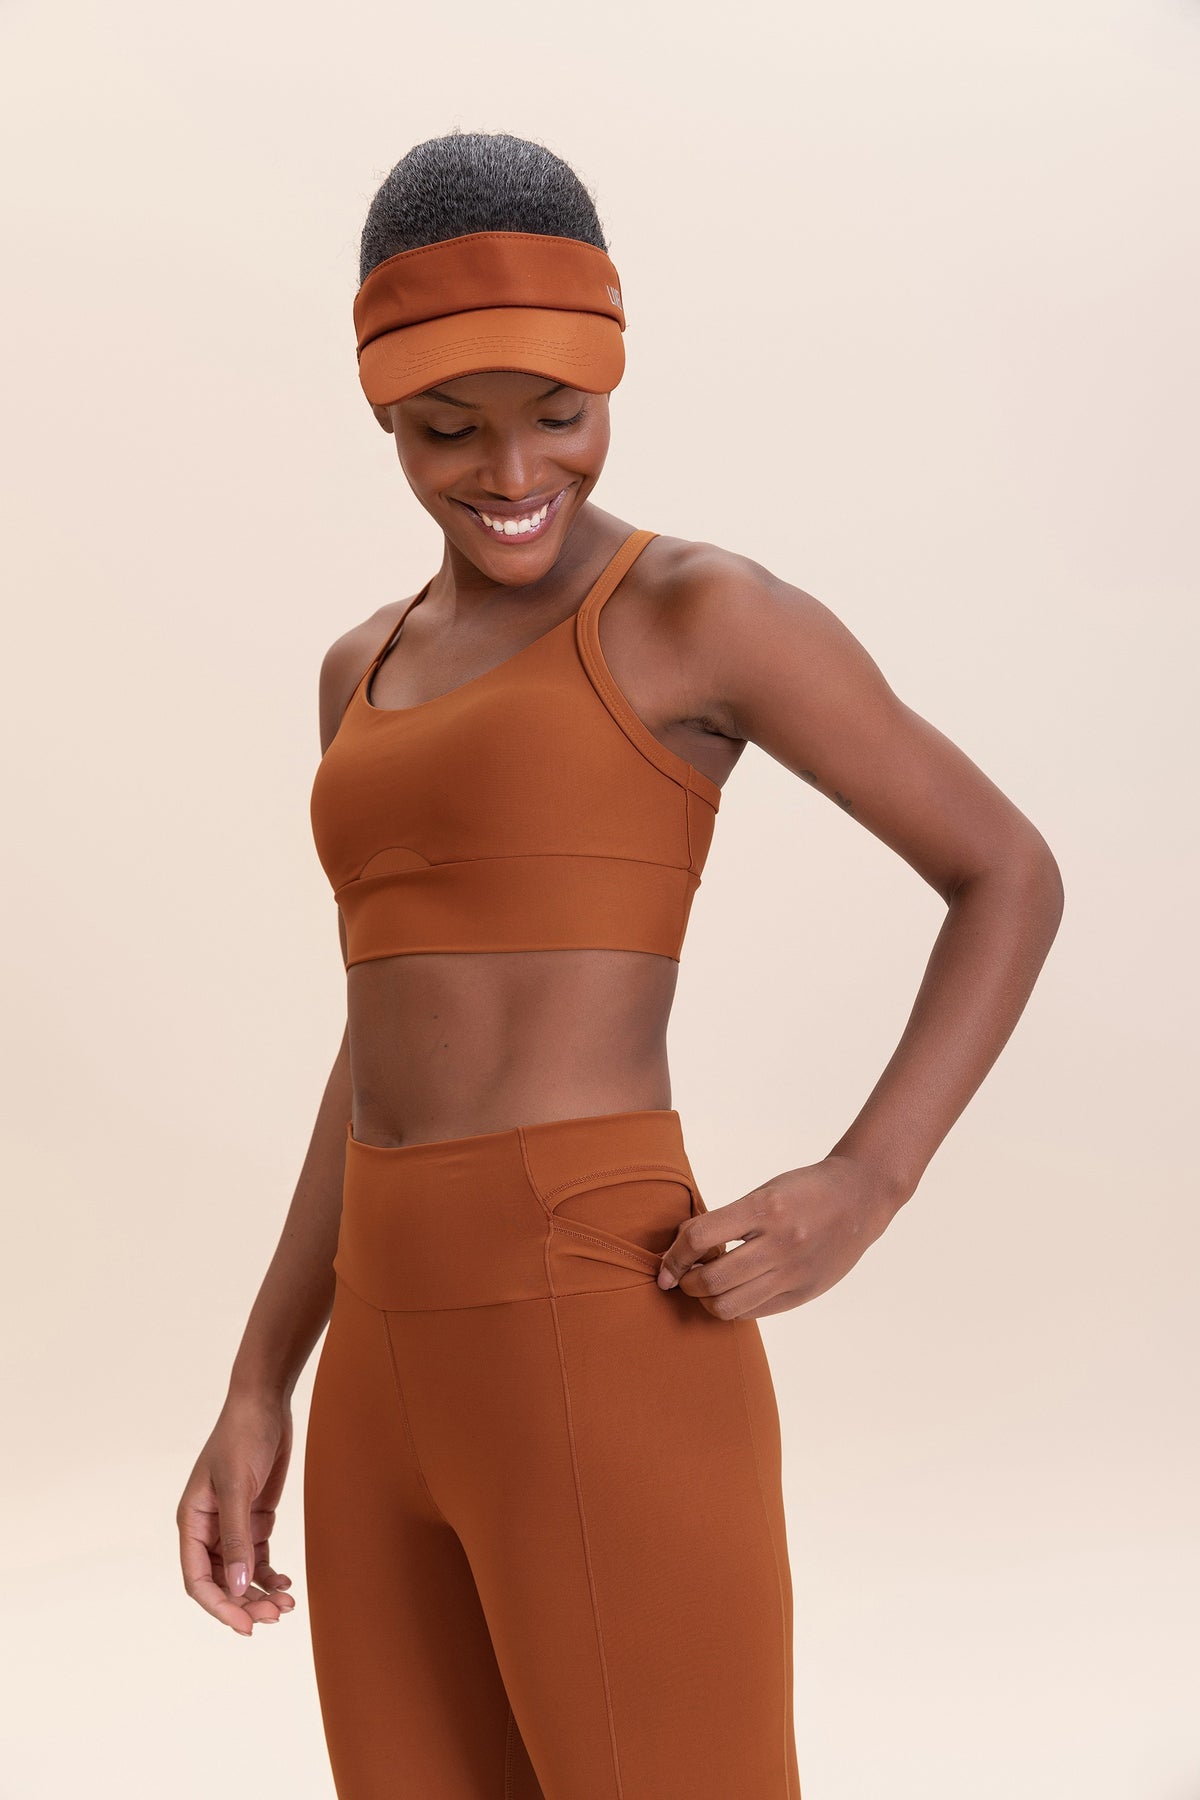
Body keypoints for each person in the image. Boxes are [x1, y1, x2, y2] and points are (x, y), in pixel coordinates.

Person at [177, 129, 1065, 1800]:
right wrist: (257, 1378)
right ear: (381, 412)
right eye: (448, 427)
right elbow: (383, 1041)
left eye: (560, 414)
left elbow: (1004, 871)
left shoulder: (696, 615)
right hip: (379, 1356)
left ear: (612, 385)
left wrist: (868, 1180)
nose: (513, 468)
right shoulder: (358, 670)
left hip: (595, 1311)